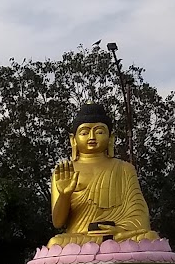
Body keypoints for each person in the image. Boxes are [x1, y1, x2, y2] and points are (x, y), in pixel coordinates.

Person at [48, 104, 159, 245]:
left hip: (118, 237)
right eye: (84, 133)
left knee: (149, 237)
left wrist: (119, 230)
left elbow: (139, 215)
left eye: (99, 132)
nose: (92, 137)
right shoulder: (65, 172)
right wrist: (64, 195)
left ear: (111, 137)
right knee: (55, 243)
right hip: (80, 239)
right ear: (73, 139)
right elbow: (58, 222)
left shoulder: (125, 168)